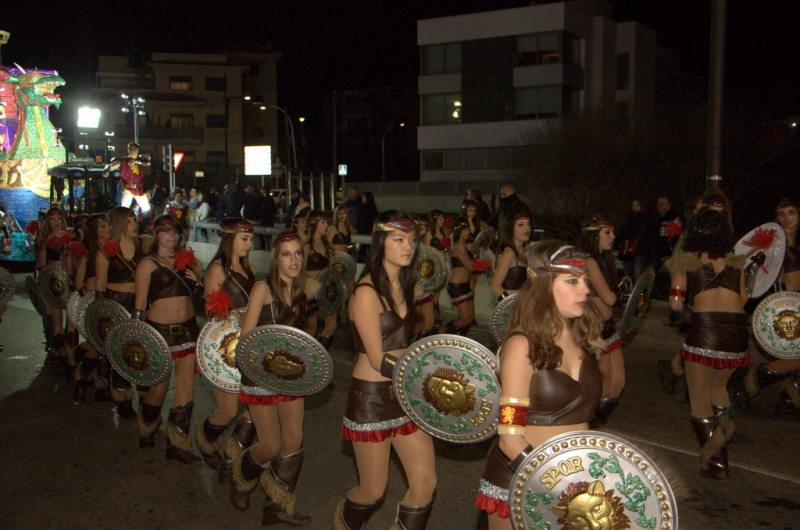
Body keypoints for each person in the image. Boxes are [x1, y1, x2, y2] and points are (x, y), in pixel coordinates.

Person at [475, 241, 603, 529]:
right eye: (572, 280)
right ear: (543, 284)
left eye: (585, 280)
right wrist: (553, 483)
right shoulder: (522, 346)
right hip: (520, 481)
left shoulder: (582, 336)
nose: (585, 288)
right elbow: (509, 438)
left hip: (575, 482)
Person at [334, 210, 436, 530]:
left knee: (425, 482)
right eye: (399, 239)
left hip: (405, 392)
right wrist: (424, 378)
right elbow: (377, 358)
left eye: (412, 240)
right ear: (381, 243)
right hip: (373, 397)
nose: (408, 246)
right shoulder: (366, 291)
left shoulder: (405, 284)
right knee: (373, 490)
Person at [232, 229, 315, 526]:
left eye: (298, 253)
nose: (293, 260)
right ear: (275, 258)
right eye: (286, 254)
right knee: (271, 446)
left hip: (290, 377)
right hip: (260, 377)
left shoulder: (304, 289)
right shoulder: (263, 288)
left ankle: (277, 507)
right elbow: (245, 341)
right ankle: (240, 477)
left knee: (294, 440)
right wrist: (262, 370)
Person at [665, 209, 748, 480]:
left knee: (699, 399)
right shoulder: (736, 262)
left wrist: (692, 311)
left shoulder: (685, 261)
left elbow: (676, 304)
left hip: (706, 330)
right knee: (719, 388)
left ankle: (717, 464)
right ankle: (720, 453)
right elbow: (743, 299)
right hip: (737, 332)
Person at [132, 215, 203, 464]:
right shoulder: (147, 264)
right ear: (156, 234)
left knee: (186, 387)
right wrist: (137, 338)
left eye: (175, 231)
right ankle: (147, 427)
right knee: (158, 388)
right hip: (159, 332)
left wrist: (198, 283)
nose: (171, 236)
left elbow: (199, 295)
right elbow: (139, 305)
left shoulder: (187, 261)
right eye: (165, 231)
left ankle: (177, 444)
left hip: (188, 329)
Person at [197, 218, 257, 481]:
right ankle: (204, 438)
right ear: (230, 238)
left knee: (253, 409)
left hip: (247, 345)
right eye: (245, 239)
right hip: (225, 350)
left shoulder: (248, 268)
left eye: (251, 239)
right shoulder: (217, 270)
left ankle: (232, 457)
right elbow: (212, 317)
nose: (250, 244)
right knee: (229, 411)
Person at [736, 198, 800, 414]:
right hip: (787, 306)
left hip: (796, 303)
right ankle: (749, 383)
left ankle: (788, 400)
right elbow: (766, 272)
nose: (786, 218)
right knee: (795, 358)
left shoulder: (797, 241)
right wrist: (780, 306)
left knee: (794, 355)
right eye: (782, 214)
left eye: (791, 213)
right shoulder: (776, 242)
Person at [94, 206, 143, 417]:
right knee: (120, 353)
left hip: (139, 304)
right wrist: (102, 317)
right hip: (116, 304)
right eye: (129, 221)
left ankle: (144, 398)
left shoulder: (143, 246)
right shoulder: (106, 251)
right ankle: (123, 399)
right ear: (120, 224)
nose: (134, 225)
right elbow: (100, 288)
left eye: (135, 220)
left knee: (139, 351)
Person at [578, 214, 626, 424]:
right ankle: (587, 426)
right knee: (604, 384)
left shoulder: (602, 260)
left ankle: (594, 425)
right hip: (595, 330)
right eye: (607, 232)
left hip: (609, 328)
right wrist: (621, 293)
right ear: (594, 236)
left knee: (618, 383)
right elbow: (609, 298)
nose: (613, 236)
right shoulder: (589, 261)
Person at [71, 213, 111, 404]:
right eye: (103, 226)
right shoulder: (87, 253)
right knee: (98, 346)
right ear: (94, 230)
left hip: (109, 303)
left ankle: (101, 387)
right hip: (93, 303)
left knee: (105, 346)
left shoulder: (114, 250)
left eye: (109, 226)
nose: (107, 229)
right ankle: (81, 379)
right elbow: (79, 284)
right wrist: (91, 303)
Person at [35, 207, 69, 363]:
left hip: (68, 279)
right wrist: (43, 285)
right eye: (53, 219)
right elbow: (42, 265)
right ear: (48, 221)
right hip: (53, 280)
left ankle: (69, 349)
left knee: (71, 318)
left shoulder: (70, 237)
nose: (56, 222)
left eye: (59, 219)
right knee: (56, 317)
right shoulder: (44, 238)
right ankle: (56, 350)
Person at [304, 210, 337, 348]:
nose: (326, 225)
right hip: (311, 290)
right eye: (323, 222)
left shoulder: (326, 244)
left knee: (332, 325)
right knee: (311, 327)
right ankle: (304, 354)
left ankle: (320, 354)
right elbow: (300, 270)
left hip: (327, 289)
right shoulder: (307, 246)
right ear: (315, 224)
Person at [490, 212, 530, 300]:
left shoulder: (525, 253)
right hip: (510, 306)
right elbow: (495, 286)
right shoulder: (509, 253)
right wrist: (508, 304)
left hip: (521, 304)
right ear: (510, 229)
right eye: (520, 224)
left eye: (528, 224)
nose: (526, 228)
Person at [103, 142, 151, 217]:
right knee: (124, 208)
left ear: (137, 149)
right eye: (129, 149)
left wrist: (136, 161)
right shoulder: (123, 160)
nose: (131, 151)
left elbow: (148, 163)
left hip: (139, 187)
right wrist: (106, 170)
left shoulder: (141, 159)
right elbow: (110, 166)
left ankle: (142, 221)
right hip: (127, 187)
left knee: (146, 209)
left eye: (133, 149)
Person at [445, 220, 475, 336]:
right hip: (457, 286)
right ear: (459, 231)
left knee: (470, 318)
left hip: (465, 285)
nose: (468, 232)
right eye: (465, 230)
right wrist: (481, 265)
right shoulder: (460, 248)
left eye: (468, 230)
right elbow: (469, 267)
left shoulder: (464, 246)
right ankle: (444, 332)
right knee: (465, 319)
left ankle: (459, 339)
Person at [617, 199, 649, 284]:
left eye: (637, 205)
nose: (635, 208)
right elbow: (621, 233)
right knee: (627, 275)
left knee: (637, 274)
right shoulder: (628, 219)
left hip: (639, 251)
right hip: (627, 250)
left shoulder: (645, 220)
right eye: (633, 205)